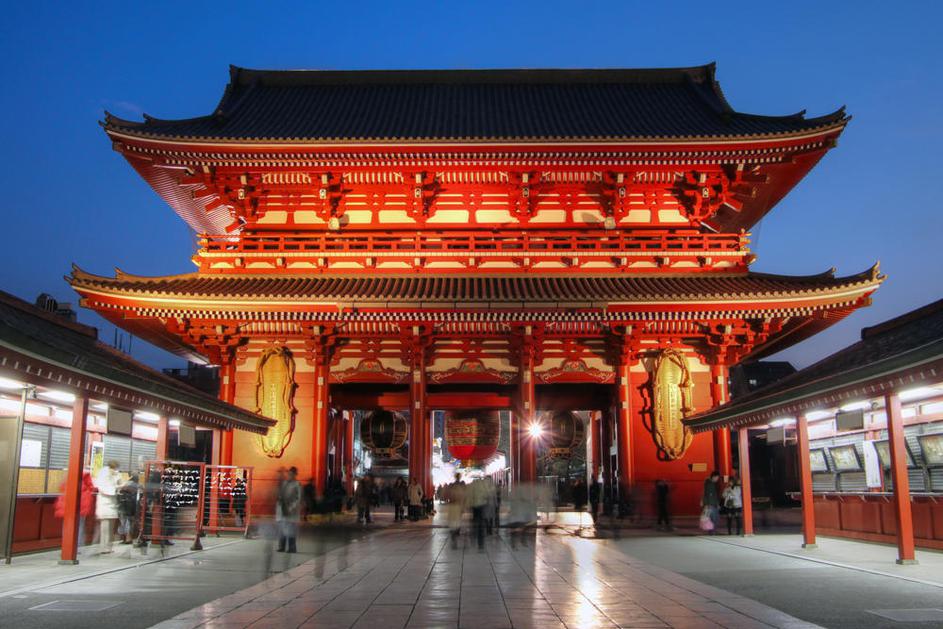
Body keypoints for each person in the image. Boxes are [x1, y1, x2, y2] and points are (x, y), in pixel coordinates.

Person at [54, 471, 95, 553]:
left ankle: (66, 546)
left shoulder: (67, 478)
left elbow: (61, 488)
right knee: (79, 526)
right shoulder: (85, 478)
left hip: (67, 506)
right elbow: (92, 488)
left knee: (67, 526)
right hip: (80, 507)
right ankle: (78, 547)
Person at [94, 460, 122, 554]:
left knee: (111, 528)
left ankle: (109, 547)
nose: (116, 470)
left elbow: (118, 485)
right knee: (105, 528)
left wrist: (119, 482)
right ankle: (103, 547)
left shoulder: (115, 474)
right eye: (115, 468)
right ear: (111, 467)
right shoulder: (103, 475)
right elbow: (104, 489)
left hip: (112, 505)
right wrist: (117, 487)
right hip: (104, 505)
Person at [276, 466, 302, 552]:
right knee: (282, 528)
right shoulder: (284, 483)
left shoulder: (297, 484)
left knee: (291, 530)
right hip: (282, 509)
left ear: (295, 475)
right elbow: (280, 495)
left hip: (291, 510)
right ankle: (281, 546)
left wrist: (292, 507)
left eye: (291, 474)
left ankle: (292, 547)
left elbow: (299, 498)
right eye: (289, 474)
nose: (289, 475)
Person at [117, 473, 140, 544]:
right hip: (131, 506)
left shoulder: (128, 484)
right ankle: (127, 538)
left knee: (125, 521)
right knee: (128, 522)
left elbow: (121, 490)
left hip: (125, 505)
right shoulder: (136, 485)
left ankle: (127, 538)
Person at [446, 474, 466, 548]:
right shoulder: (461, 486)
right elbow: (463, 497)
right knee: (457, 522)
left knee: (453, 523)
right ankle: (455, 534)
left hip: (453, 507)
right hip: (457, 506)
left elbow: (448, 495)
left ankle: (454, 536)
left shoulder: (452, 486)